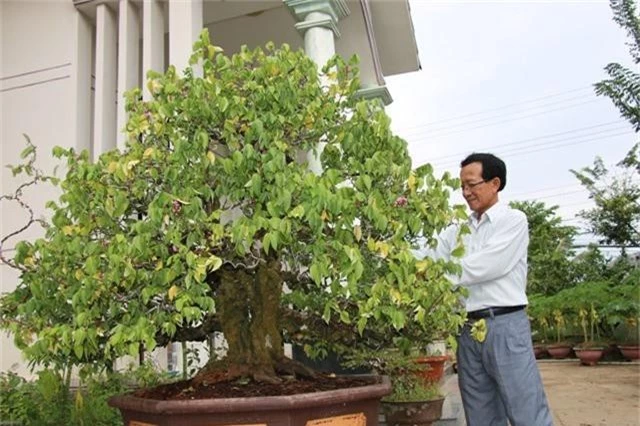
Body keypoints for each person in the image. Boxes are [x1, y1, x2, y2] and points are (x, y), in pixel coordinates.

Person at [415, 153, 553, 426]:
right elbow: (427, 254)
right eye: (462, 186)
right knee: (480, 413)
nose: (466, 192)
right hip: (467, 329)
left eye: (472, 185)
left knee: (526, 409)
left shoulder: (513, 221)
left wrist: (431, 275)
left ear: (495, 183)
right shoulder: (457, 230)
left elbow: (487, 266)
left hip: (504, 325)